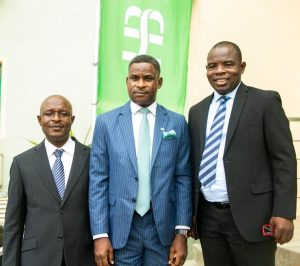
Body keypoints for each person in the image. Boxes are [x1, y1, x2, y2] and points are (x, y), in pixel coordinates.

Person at [188, 41, 297, 266]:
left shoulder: (265, 102)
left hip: (254, 217)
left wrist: (284, 212)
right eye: (212, 66)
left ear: (242, 66)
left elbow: (284, 160)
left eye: (228, 64)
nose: (219, 71)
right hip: (209, 218)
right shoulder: (197, 111)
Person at [89, 54, 192, 266]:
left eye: (148, 78)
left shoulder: (177, 122)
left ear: (159, 82)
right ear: (127, 82)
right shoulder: (106, 123)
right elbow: (98, 180)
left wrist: (181, 233)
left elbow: (183, 178)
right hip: (121, 229)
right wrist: (100, 235)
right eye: (135, 78)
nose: (141, 84)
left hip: (161, 229)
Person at [2, 95, 95, 266]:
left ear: (72, 119)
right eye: (49, 113)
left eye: (63, 113)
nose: (56, 119)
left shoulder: (92, 158)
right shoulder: (22, 163)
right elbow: (13, 224)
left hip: (83, 256)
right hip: (36, 258)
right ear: (39, 119)